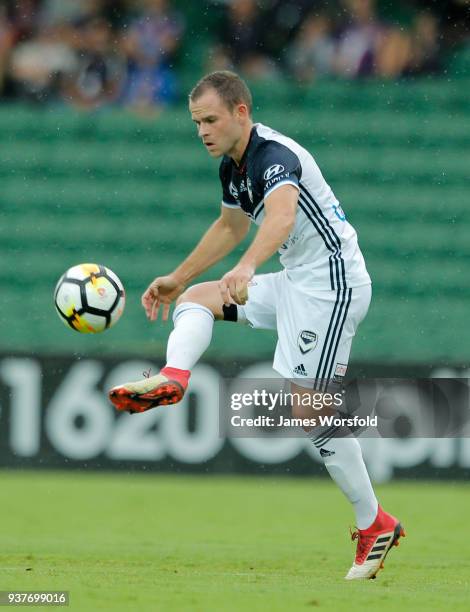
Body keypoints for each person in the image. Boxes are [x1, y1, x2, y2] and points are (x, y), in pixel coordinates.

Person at [109, 70, 405, 580]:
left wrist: (247, 267)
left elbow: (282, 218)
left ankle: (374, 522)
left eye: (210, 119)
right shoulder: (233, 168)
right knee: (199, 299)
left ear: (241, 112)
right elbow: (231, 226)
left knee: (311, 410)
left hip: (333, 286)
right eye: (196, 122)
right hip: (298, 283)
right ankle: (174, 377)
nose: (202, 130)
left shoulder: (274, 156)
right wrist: (179, 278)